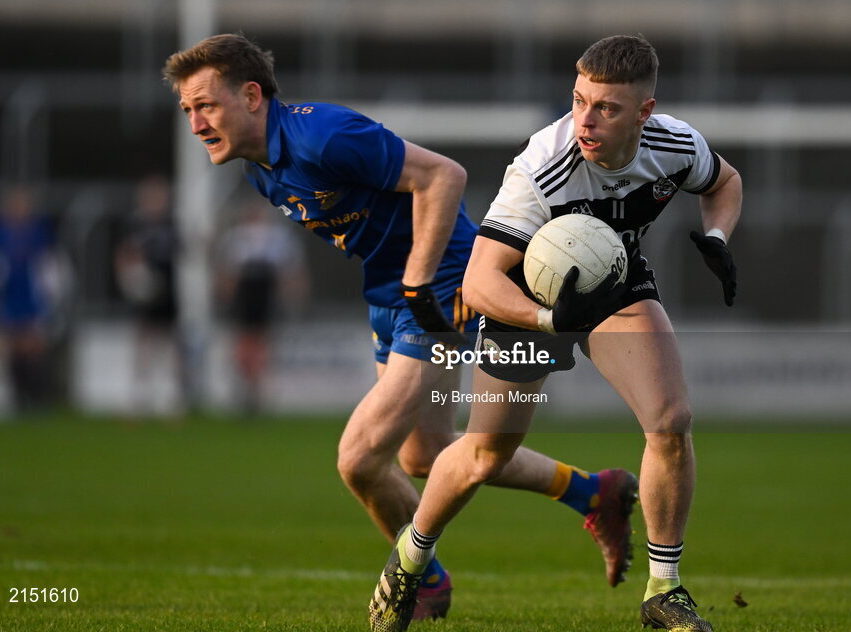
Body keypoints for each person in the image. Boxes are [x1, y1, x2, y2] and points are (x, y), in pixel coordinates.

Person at [163, 34, 639, 621]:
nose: (195, 122)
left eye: (205, 105)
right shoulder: (260, 168)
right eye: (188, 110)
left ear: (253, 95)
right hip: (393, 298)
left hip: (438, 289)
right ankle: (594, 492)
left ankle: (424, 579)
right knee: (427, 455)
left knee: (359, 459)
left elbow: (443, 177)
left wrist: (418, 283)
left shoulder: (322, 135)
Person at [369, 35, 741, 632]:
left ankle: (664, 590)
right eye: (578, 101)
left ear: (644, 113)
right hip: (525, 302)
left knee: (670, 421)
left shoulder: (673, 143)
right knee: (487, 455)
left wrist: (719, 239)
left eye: (607, 108)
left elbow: (724, 181)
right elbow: (479, 281)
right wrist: (548, 321)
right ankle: (411, 558)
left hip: (615, 285)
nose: (586, 120)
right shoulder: (543, 165)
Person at [0, 185, 59, 414]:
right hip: (6, 295)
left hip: (32, 295)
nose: (19, 210)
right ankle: (16, 400)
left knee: (33, 346)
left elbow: (52, 260)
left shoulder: (38, 230)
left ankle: (38, 400)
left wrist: (52, 290)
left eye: (23, 205)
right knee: (11, 346)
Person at [215, 200, 310, 412]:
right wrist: (226, 296)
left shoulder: (277, 238)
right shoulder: (236, 238)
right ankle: (244, 387)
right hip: (244, 297)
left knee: (262, 343)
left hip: (264, 296)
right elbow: (227, 274)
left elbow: (290, 271)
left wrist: (293, 295)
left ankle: (257, 390)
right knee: (244, 343)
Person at [114, 174, 184, 417]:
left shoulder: (171, 224)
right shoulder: (135, 224)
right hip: (143, 294)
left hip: (167, 292)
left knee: (168, 346)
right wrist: (131, 279)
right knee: (142, 344)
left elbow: (184, 250)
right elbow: (124, 255)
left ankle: (169, 401)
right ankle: (138, 399)